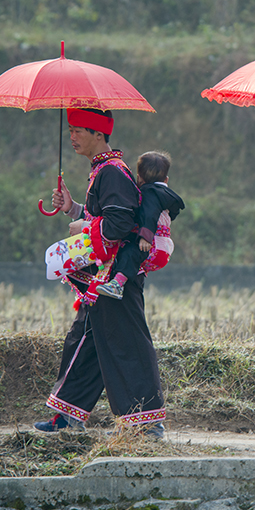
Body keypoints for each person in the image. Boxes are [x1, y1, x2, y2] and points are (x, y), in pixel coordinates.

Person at [34, 108, 166, 438]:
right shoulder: (104, 171)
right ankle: (66, 415)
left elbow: (120, 223)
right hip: (101, 279)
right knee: (85, 341)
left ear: (99, 134)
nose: (73, 136)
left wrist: (85, 225)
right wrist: (73, 207)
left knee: (127, 343)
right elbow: (108, 214)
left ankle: (147, 422)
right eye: (71, 130)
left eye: (79, 130)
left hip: (116, 278)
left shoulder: (112, 172)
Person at [96, 151, 185, 300]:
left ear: (139, 179)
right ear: (166, 179)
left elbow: (149, 214)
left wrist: (146, 236)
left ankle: (117, 284)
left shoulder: (150, 193)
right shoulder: (165, 195)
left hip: (152, 244)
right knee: (133, 254)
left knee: (129, 252)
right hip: (164, 247)